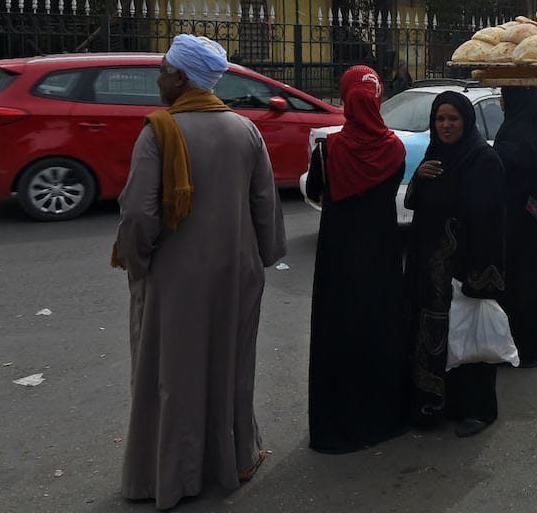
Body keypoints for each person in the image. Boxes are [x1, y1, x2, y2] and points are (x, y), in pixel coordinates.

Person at [112, 33, 286, 509]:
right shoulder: (245, 130)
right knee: (231, 367)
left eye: (165, 70)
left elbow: (139, 216)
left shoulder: (159, 130)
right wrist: (265, 257)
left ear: (182, 78)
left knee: (173, 374)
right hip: (236, 272)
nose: (159, 77)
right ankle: (234, 459)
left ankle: (169, 476)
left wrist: (139, 262)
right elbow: (265, 206)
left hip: (176, 277)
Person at [305, 65, 408, 453]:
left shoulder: (327, 150)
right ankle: (380, 417)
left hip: (338, 254)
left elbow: (316, 192)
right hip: (381, 252)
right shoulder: (395, 148)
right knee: (380, 329)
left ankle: (336, 425)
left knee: (339, 332)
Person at [404, 91, 505, 437]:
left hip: (463, 269)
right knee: (433, 337)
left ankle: (476, 410)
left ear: (467, 121)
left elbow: (490, 222)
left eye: (453, 119)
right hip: (427, 269)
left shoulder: (483, 160)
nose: (445, 125)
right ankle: (433, 405)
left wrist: (479, 276)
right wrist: (419, 177)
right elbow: (413, 202)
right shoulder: (435, 155)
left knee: (468, 339)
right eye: (439, 119)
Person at [493, 87, 537, 367]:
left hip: (522, 221)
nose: (500, 100)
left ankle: (530, 345)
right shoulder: (536, 124)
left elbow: (509, 169)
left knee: (524, 283)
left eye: (503, 94)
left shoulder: (517, 131)